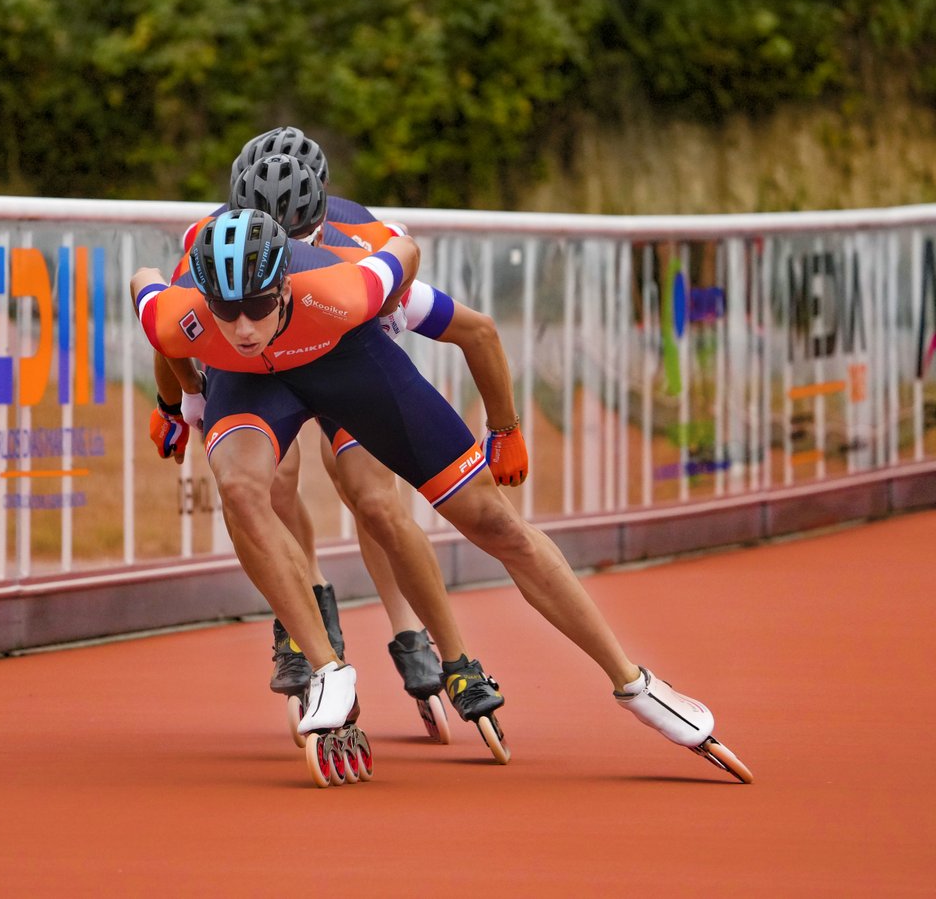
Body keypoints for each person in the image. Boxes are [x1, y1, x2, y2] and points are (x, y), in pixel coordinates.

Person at [133, 208, 752, 782]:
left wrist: (494, 419)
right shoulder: (182, 312)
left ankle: (635, 684)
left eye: (258, 307)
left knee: (495, 524)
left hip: (346, 360)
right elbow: (157, 313)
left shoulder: (344, 286)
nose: (242, 327)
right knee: (242, 488)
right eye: (226, 310)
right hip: (253, 388)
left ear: (286, 283)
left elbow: (406, 250)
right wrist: (181, 401)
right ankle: (328, 668)